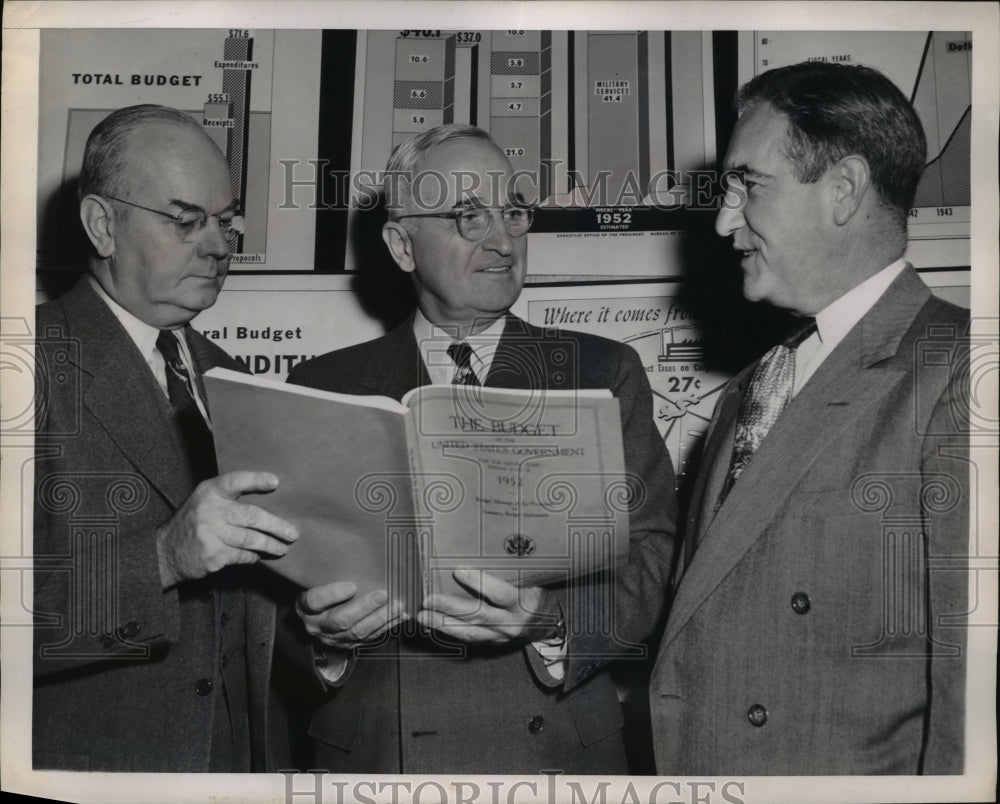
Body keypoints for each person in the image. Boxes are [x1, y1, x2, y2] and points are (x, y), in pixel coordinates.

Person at [284, 124, 678, 774]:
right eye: (468, 215)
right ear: (401, 244)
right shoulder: (320, 387)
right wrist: (322, 640)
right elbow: (268, 603)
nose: (502, 241)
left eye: (513, 211)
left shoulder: (602, 371)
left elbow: (655, 557)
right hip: (381, 758)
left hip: (551, 750)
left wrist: (551, 622)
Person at [650, 61, 969, 775]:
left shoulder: (964, 372)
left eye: (747, 185)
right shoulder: (755, 386)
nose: (723, 218)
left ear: (844, 190)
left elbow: (974, 715)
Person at [32, 104, 300, 771]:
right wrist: (161, 558)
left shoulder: (232, 379)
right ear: (102, 224)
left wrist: (325, 636)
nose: (217, 246)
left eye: (226, 221)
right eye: (185, 221)